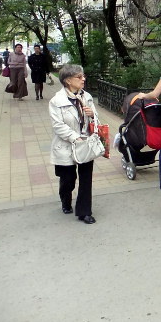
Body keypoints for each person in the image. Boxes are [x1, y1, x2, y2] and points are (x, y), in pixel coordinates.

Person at [49, 64, 98, 224]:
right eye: (79, 77)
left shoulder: (87, 97)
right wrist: (74, 137)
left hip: (85, 144)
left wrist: (92, 115)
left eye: (83, 76)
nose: (83, 79)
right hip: (66, 145)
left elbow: (95, 120)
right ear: (68, 80)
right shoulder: (57, 101)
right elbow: (57, 125)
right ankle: (65, 199)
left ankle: (85, 212)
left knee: (86, 179)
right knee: (68, 179)